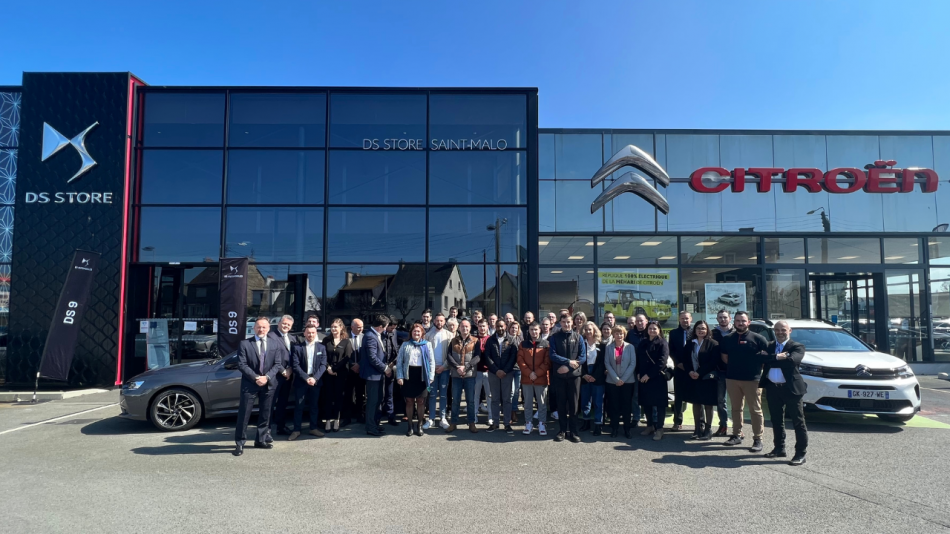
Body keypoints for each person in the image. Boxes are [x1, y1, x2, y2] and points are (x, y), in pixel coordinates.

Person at [233, 317, 283, 456]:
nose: (261, 329)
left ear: (269, 328)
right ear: (254, 328)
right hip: (250, 384)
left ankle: (260, 440)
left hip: (268, 383)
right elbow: (242, 364)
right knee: (244, 414)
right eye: (259, 327)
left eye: (264, 327)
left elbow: (277, 364)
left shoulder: (275, 344)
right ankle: (240, 443)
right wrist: (256, 377)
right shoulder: (245, 344)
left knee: (265, 414)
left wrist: (266, 377)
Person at [760, 320, 808, 465]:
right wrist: (777, 357)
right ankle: (779, 448)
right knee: (776, 420)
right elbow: (759, 358)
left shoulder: (797, 346)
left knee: (798, 421)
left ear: (789, 331)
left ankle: (800, 453)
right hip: (773, 388)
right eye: (777, 330)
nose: (780, 333)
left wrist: (770, 358)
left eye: (783, 330)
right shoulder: (769, 345)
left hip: (791, 389)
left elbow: (792, 361)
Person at [721, 311, 769, 452]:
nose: (740, 323)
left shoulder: (758, 339)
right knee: (736, 408)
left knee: (755, 410)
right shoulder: (728, 338)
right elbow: (725, 357)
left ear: (749, 322)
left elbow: (766, 359)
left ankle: (758, 439)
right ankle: (736, 435)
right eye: (738, 321)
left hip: (752, 380)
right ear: (734, 322)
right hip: (732, 378)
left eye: (743, 321)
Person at [549, 312, 585, 443]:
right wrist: (568, 362)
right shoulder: (554, 337)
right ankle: (562, 430)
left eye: (568, 322)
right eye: (564, 322)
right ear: (560, 323)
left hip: (574, 376)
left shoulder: (579, 337)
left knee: (574, 405)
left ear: (572, 323)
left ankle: (574, 431)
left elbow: (582, 357)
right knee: (561, 404)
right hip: (559, 376)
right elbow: (552, 355)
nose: (566, 324)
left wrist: (569, 368)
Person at [396, 322, 436, 437]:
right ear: (411, 333)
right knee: (409, 401)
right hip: (409, 375)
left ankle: (419, 425)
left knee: (421, 401)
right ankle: (410, 425)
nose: (416, 333)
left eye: (418, 331)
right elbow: (399, 362)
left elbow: (431, 361)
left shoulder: (427, 345)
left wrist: (431, 376)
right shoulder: (405, 345)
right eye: (414, 331)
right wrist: (400, 376)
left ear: (422, 333)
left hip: (422, 375)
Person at [289, 324, 327, 441]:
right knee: (299, 406)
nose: (310, 335)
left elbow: (323, 365)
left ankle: (313, 428)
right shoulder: (297, 348)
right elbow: (295, 365)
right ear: (304, 333)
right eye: (308, 333)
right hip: (301, 381)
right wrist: (306, 378)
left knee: (314, 406)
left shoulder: (321, 347)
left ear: (316, 334)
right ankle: (296, 430)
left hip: (315, 381)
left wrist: (315, 378)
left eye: (313, 333)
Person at [684, 320, 720, 440]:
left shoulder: (713, 344)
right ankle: (697, 429)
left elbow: (713, 362)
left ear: (707, 330)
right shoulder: (690, 343)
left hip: (707, 378)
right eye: (698, 328)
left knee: (708, 404)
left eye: (703, 328)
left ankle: (708, 430)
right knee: (696, 403)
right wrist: (690, 371)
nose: (701, 330)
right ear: (695, 330)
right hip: (693, 377)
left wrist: (699, 372)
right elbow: (685, 360)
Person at [637, 321, 671, 441]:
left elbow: (662, 361)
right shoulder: (643, 342)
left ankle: (660, 429)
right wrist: (638, 372)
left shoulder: (662, 343)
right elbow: (638, 359)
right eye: (650, 328)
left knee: (659, 404)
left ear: (659, 330)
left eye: (654, 328)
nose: (652, 330)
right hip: (643, 377)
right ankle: (650, 426)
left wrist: (649, 375)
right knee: (646, 403)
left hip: (657, 378)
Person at [359, 315, 393, 436]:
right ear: (380, 327)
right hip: (372, 375)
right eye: (386, 327)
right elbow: (372, 358)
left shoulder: (375, 335)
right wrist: (385, 368)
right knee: (372, 402)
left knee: (378, 400)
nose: (386, 329)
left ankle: (374, 424)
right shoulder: (370, 336)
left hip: (377, 374)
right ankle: (370, 427)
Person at [446, 318, 480, 433]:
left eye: (466, 326)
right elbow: (449, 356)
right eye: (462, 326)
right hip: (456, 375)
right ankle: (453, 423)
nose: (464, 328)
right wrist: (457, 367)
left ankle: (471, 423)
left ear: (470, 328)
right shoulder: (453, 341)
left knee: (470, 401)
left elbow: (477, 357)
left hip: (470, 375)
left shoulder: (475, 340)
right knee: (455, 400)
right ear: (459, 328)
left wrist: (466, 367)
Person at [485, 318, 518, 433]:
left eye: (502, 326)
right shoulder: (490, 340)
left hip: (507, 373)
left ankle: (507, 424)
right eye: (498, 326)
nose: (500, 328)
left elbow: (513, 357)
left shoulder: (512, 340)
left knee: (507, 399)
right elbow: (487, 357)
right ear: (495, 327)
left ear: (506, 327)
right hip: (493, 373)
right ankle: (495, 423)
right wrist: (496, 370)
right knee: (494, 399)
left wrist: (504, 370)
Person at [517, 321, 550, 436]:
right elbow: (520, 360)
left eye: (536, 329)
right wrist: (529, 373)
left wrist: (537, 373)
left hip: (541, 378)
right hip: (527, 378)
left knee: (542, 403)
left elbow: (547, 362)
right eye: (531, 329)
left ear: (540, 330)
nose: (534, 332)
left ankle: (542, 423)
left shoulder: (546, 344)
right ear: (529, 331)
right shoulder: (523, 344)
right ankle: (528, 423)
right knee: (527, 403)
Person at [604, 325, 636, 438]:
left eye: (621, 333)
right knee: (614, 406)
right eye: (617, 333)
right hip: (612, 381)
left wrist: (623, 379)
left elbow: (633, 363)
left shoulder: (630, 347)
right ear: (613, 335)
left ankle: (627, 429)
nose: (619, 335)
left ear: (624, 334)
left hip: (628, 381)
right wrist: (616, 379)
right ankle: (614, 428)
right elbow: (607, 363)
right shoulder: (609, 347)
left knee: (626, 406)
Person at [322, 319, 352, 433]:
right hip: (327, 373)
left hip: (341, 374)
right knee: (328, 397)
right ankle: (327, 420)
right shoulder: (326, 340)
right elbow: (322, 356)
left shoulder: (346, 342)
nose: (333, 329)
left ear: (341, 328)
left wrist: (335, 369)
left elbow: (347, 357)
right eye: (332, 327)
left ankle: (336, 420)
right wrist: (328, 368)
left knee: (339, 397)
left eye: (335, 327)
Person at [424, 313, 454, 431]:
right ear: (434, 321)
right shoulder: (428, 335)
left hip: (445, 369)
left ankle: (442, 418)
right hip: (432, 370)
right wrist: (432, 367)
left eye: (441, 320)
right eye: (437, 320)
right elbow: (425, 353)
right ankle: (431, 418)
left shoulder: (449, 335)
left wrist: (444, 366)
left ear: (444, 321)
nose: (439, 323)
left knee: (443, 394)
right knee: (431, 394)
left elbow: (451, 354)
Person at [269, 315, 298, 436]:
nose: (286, 326)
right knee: (270, 403)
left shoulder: (292, 338)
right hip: (275, 375)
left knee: (283, 402)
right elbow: (270, 357)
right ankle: (266, 429)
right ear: (279, 323)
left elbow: (294, 356)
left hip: (288, 376)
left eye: (288, 325)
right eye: (284, 323)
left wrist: (290, 369)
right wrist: (282, 370)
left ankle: (280, 427)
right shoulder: (271, 336)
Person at [667, 311, 692, 432]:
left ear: (691, 319)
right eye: (682, 318)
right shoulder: (673, 333)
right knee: (678, 397)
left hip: (694, 369)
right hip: (680, 368)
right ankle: (677, 422)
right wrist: (678, 363)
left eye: (686, 318)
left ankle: (700, 423)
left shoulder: (696, 332)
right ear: (679, 319)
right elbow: (671, 350)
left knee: (698, 397)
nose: (684, 320)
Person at [580, 321, 606, 434]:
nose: (588, 332)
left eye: (590, 329)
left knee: (598, 402)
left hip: (597, 375)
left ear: (594, 330)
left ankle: (598, 425)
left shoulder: (601, 345)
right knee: (585, 401)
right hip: (585, 374)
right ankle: (586, 422)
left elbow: (602, 362)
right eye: (586, 330)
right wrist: (584, 374)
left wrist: (594, 376)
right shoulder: (581, 344)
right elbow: (578, 361)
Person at [711, 309, 734, 436]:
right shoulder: (713, 333)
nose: (723, 319)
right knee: (721, 401)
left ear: (730, 318)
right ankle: (723, 426)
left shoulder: (736, 332)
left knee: (737, 402)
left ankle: (738, 428)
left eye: (725, 317)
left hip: (736, 372)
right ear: (717, 319)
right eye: (720, 317)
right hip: (720, 371)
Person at [472, 318, 493, 427]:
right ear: (478, 327)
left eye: (484, 326)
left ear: (487, 327)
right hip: (477, 371)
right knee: (476, 395)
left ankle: (490, 416)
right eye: (480, 326)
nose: (482, 328)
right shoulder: (474, 339)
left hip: (489, 371)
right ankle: (474, 415)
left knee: (489, 395)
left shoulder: (491, 339)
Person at [344, 318, 365, 426]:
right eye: (358, 327)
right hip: (349, 371)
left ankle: (360, 415)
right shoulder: (345, 337)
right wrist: (352, 364)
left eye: (362, 327)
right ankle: (347, 418)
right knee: (348, 395)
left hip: (361, 370)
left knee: (360, 394)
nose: (361, 329)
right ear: (352, 327)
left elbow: (366, 354)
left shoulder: (364, 337)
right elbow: (344, 354)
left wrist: (359, 364)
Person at [381, 318, 400, 426]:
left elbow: (396, 349)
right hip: (380, 368)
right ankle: (378, 417)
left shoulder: (394, 333)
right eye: (391, 328)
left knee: (389, 394)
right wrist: (384, 368)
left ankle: (390, 416)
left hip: (391, 366)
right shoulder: (380, 334)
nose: (393, 330)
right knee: (380, 394)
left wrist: (392, 364)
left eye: (394, 328)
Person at [507, 321, 524, 423]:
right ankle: (508, 412)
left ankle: (514, 411)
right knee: (510, 392)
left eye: (516, 328)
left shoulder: (521, 340)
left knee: (516, 392)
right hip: (508, 369)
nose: (514, 330)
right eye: (512, 328)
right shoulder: (506, 340)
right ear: (509, 329)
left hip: (518, 369)